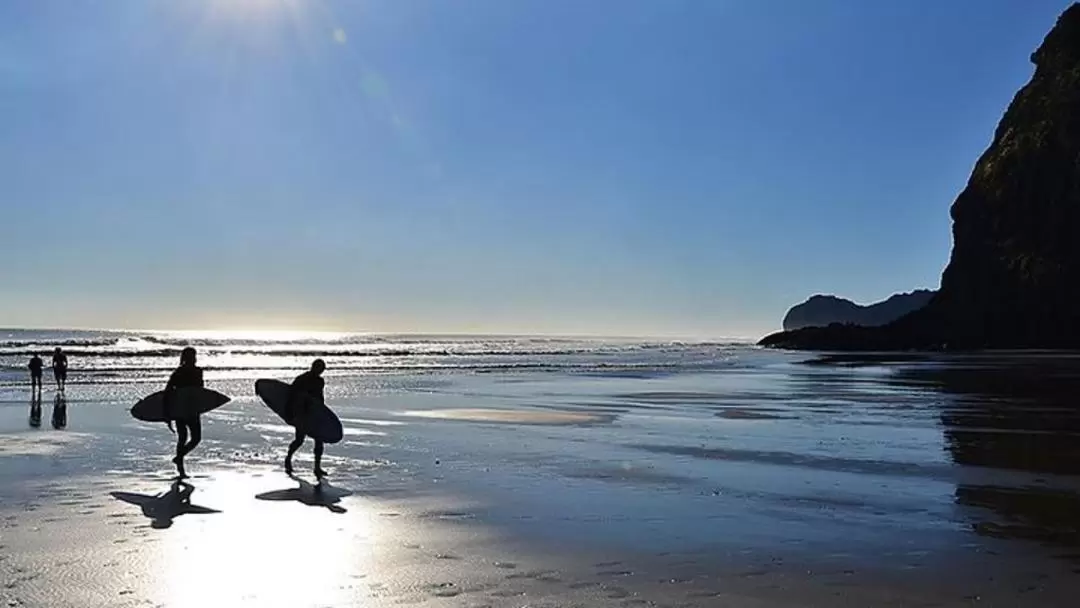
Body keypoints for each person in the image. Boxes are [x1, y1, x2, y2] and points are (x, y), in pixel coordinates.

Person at [164, 347, 203, 479]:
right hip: (185, 409)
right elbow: (168, 390)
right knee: (184, 438)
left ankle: (179, 458)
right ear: (187, 358)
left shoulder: (195, 371)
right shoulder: (181, 372)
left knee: (194, 439)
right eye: (192, 356)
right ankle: (180, 468)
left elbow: (200, 390)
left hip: (187, 409)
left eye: (194, 356)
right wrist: (168, 413)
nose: (194, 358)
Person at [285, 358, 328, 478]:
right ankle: (288, 458)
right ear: (313, 367)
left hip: (314, 414)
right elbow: (291, 395)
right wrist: (290, 413)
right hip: (301, 413)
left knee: (319, 440)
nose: (320, 371)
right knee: (299, 440)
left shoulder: (320, 381)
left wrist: (323, 412)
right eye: (319, 368)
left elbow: (320, 398)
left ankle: (317, 468)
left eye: (322, 369)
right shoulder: (301, 379)